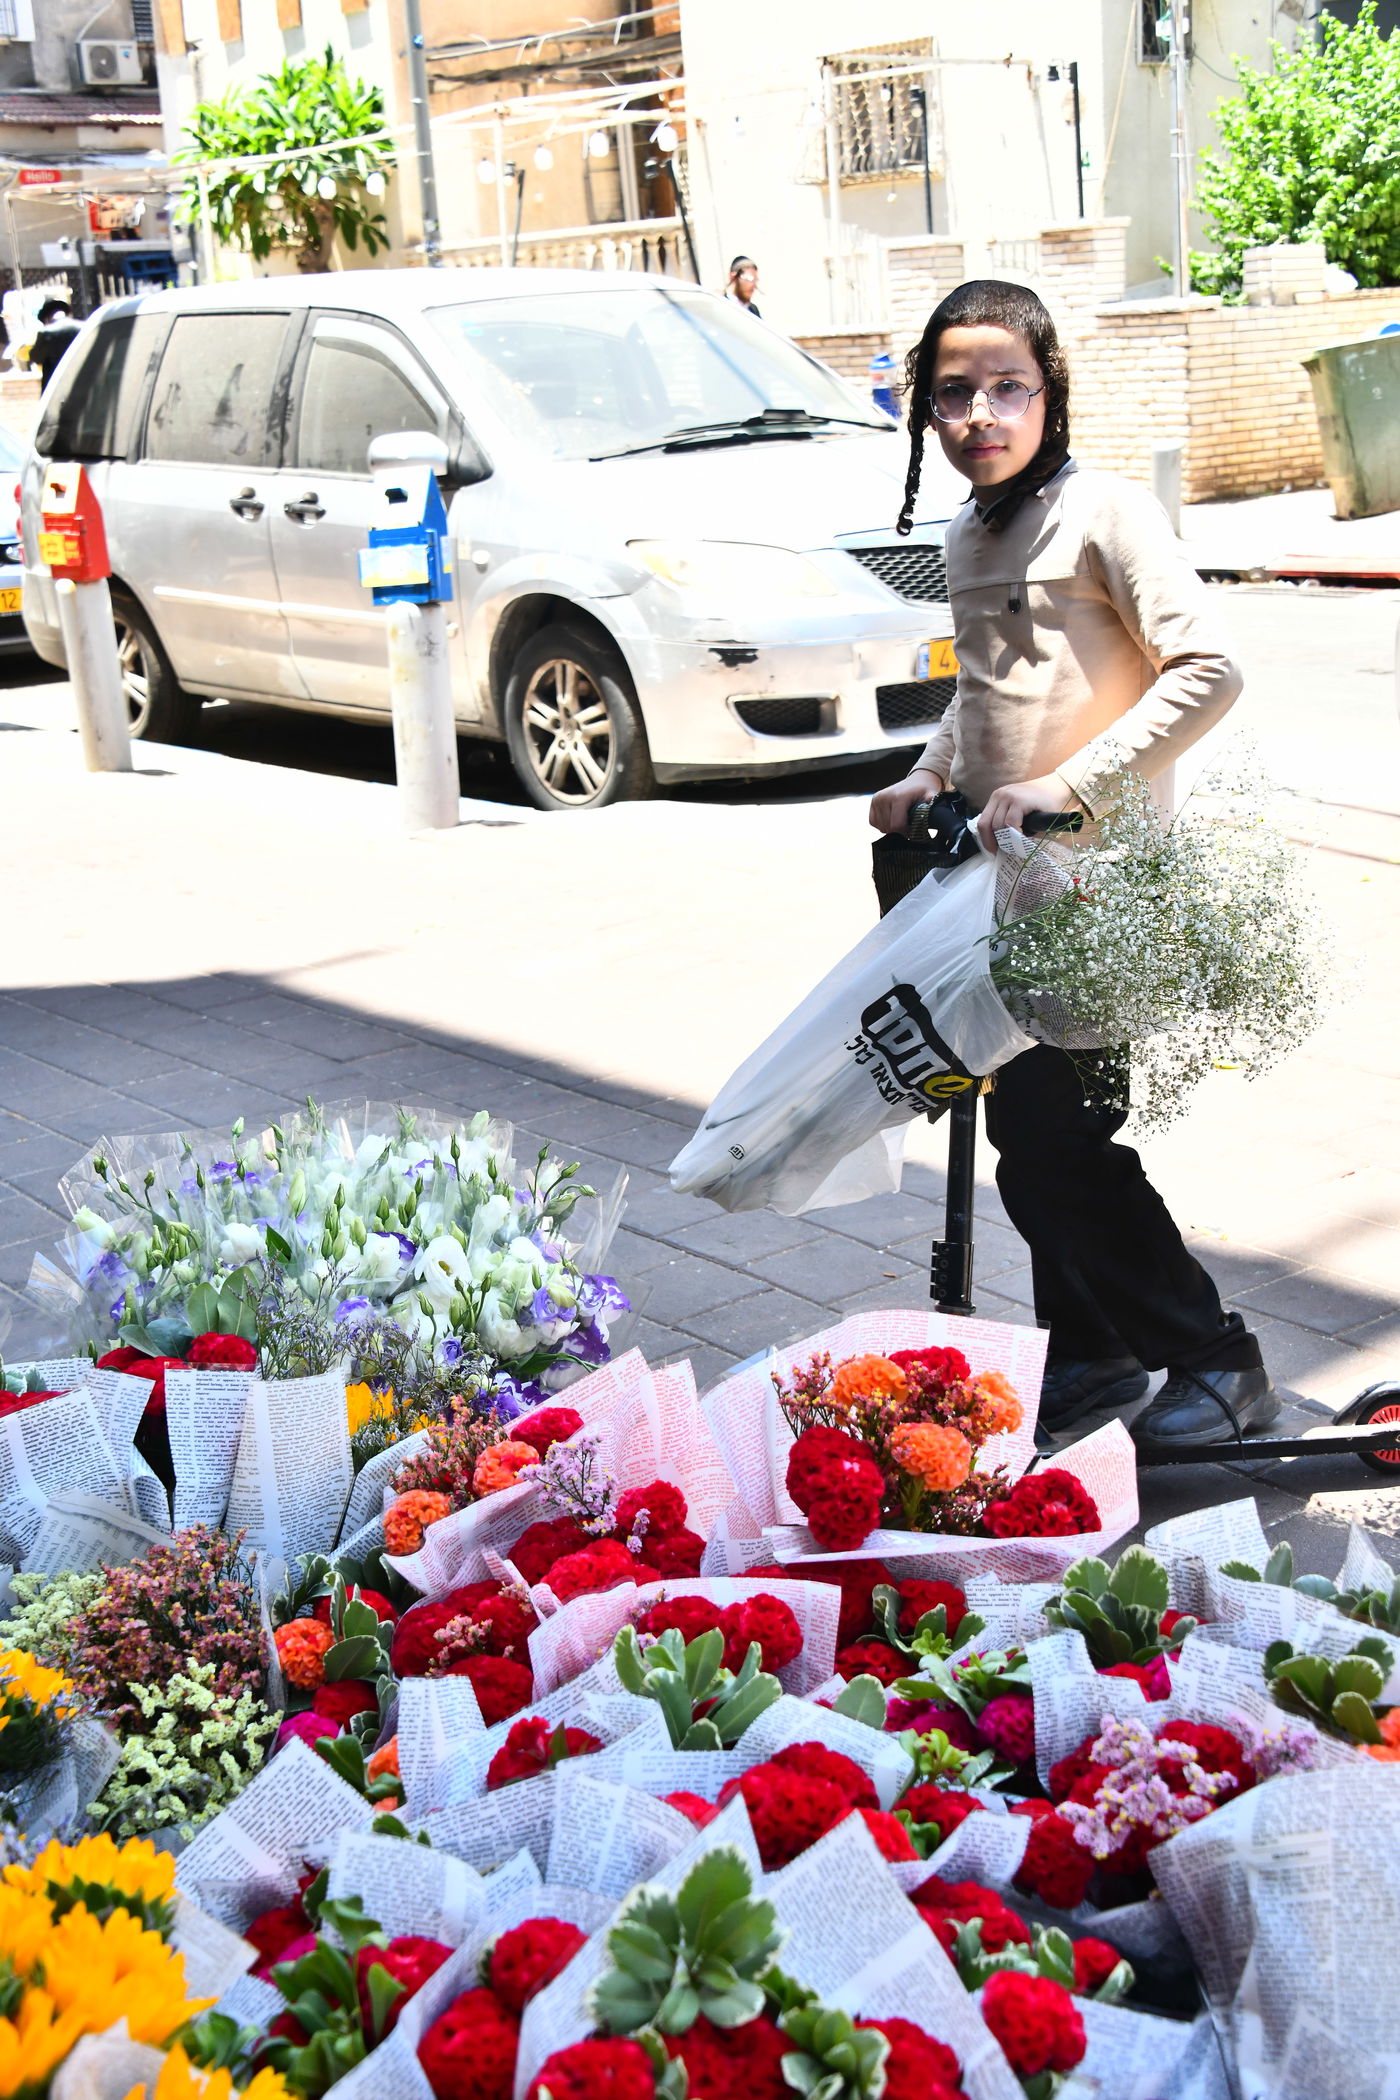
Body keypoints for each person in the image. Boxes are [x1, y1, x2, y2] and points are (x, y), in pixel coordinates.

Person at [869, 278, 1278, 1453]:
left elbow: (1205, 669)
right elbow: (984, 689)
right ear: (924, 411)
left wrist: (1070, 785)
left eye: (1008, 387)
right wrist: (929, 771)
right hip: (999, 890)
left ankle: (1217, 1360)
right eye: (953, 393)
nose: (979, 414)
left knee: (1055, 1153)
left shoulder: (1104, 515)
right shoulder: (968, 530)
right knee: (1029, 1135)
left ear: (1050, 395)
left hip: (1103, 894)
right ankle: (1090, 1358)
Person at [30, 297, 81, 391]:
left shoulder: (46, 332)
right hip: (80, 382)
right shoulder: (82, 328)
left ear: (46, 319)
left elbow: (36, 357)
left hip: (56, 387)